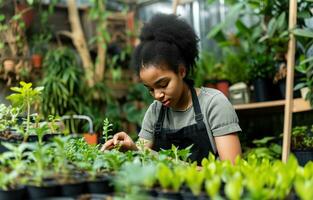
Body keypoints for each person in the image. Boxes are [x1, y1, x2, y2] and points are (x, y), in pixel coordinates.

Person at [101, 13, 242, 164]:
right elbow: (141, 156)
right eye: (150, 89)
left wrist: (152, 156)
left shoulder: (214, 104)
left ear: (182, 71)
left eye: (163, 85)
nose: (157, 95)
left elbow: (231, 170)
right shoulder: (155, 112)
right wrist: (128, 148)